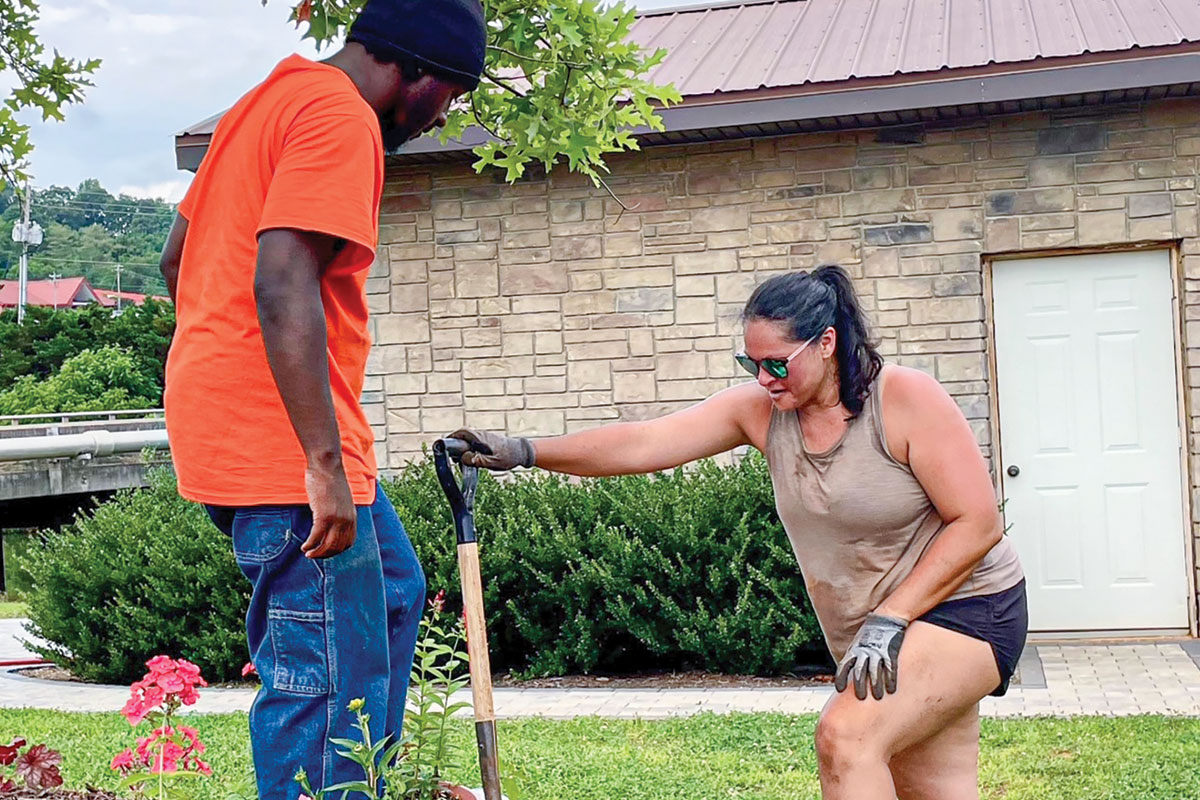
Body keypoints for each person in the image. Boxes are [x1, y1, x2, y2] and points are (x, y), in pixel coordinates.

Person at [450, 265, 1028, 800]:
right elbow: (644, 442)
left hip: (965, 607)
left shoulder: (904, 399)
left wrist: (891, 618)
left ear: (826, 343)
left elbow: (977, 523)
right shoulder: (761, 412)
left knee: (847, 738)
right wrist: (526, 451)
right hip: (879, 632)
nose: (763, 378)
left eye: (777, 363)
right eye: (751, 364)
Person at [157, 2, 485, 797]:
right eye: (451, 94)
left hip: (236, 428)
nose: (445, 114)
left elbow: (178, 260)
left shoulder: (267, 101)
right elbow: (281, 278)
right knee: (324, 680)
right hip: (282, 451)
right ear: (417, 69)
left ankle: (374, 779)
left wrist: (224, 373)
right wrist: (317, 461)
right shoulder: (343, 118)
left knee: (396, 595)